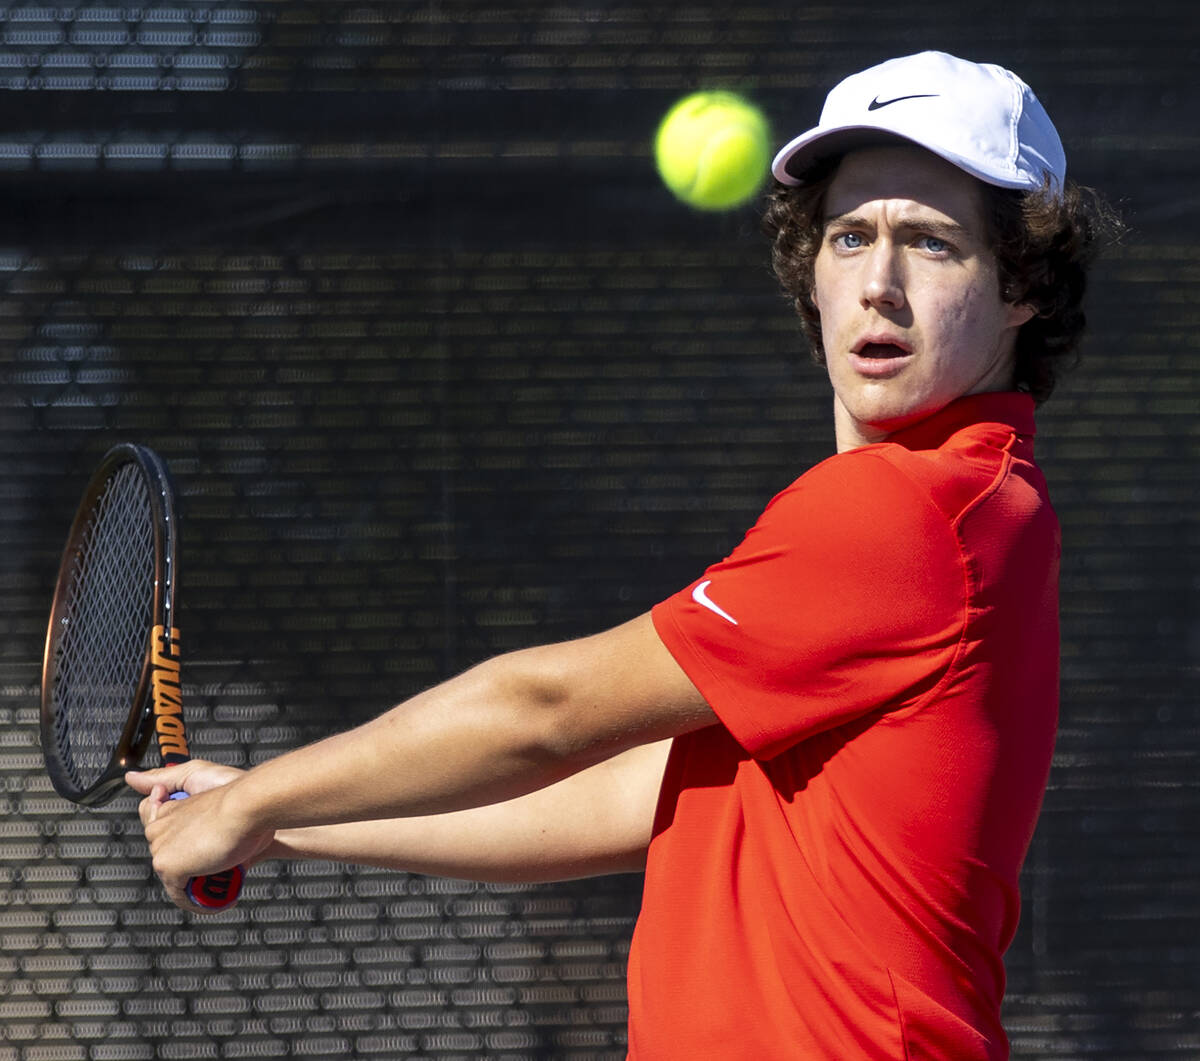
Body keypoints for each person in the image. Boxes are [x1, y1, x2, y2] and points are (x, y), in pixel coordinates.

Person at [128, 51, 1115, 1059]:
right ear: (809, 269)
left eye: (933, 244)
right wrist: (272, 822)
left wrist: (257, 798)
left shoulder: (912, 509)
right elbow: (625, 794)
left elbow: (547, 710)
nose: (879, 284)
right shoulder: (981, 503)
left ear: (1023, 286)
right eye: (850, 235)